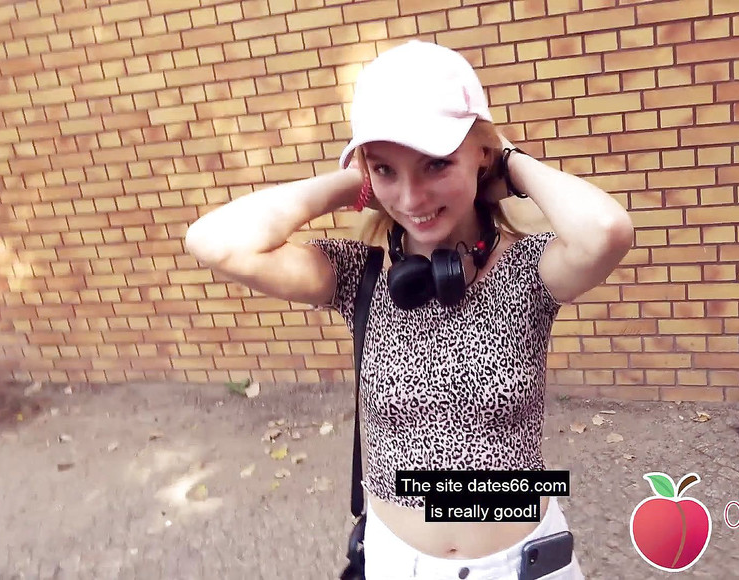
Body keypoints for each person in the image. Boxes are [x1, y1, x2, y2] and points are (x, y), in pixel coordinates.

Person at [185, 40, 633, 580]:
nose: (412, 199)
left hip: (522, 563)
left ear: (480, 154)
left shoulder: (529, 270)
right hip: (400, 564)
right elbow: (215, 242)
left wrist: (511, 165)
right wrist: (355, 182)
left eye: (436, 163)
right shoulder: (359, 276)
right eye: (387, 170)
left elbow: (606, 230)